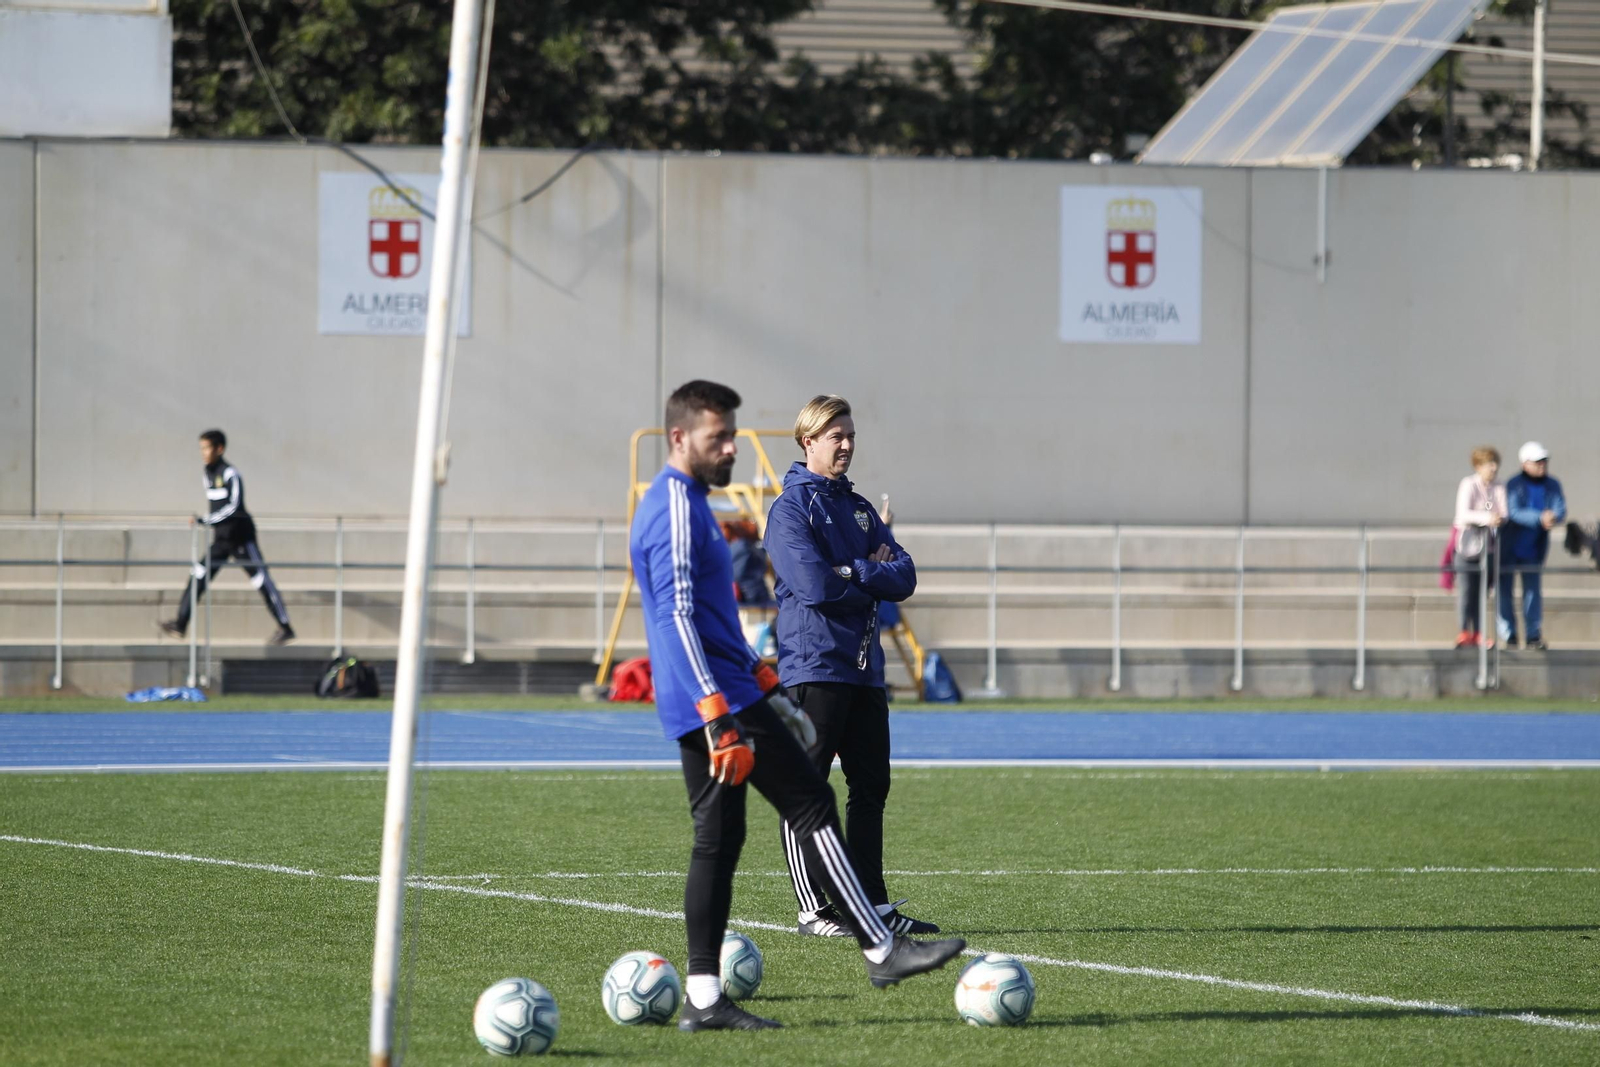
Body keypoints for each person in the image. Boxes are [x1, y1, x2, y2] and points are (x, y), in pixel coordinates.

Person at [630, 380, 965, 1033]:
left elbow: (707, 611)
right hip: (720, 698)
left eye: (731, 433)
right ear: (679, 439)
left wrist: (755, 667)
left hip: (731, 686)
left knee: (719, 841)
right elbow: (672, 615)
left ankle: (703, 999)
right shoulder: (674, 504)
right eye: (717, 437)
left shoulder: (696, 501)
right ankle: (880, 944)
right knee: (811, 800)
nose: (731, 446)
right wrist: (719, 709)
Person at [763, 395, 936, 939]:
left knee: (871, 786)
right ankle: (814, 909)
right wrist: (867, 573)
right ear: (807, 441)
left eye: (851, 435)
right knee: (808, 786)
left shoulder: (858, 508)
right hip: (815, 665)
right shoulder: (790, 509)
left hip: (864, 669)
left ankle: (873, 905)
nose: (846, 444)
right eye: (836, 436)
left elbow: (904, 577)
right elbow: (813, 586)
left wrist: (852, 568)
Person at [160, 430, 294, 644]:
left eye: (207, 448)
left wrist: (206, 520)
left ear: (219, 449)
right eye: (201, 448)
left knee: (262, 581)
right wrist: (210, 522)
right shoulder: (207, 474)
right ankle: (180, 623)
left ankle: (285, 627)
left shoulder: (231, 474)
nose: (203, 453)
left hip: (241, 539)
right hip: (221, 541)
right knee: (198, 576)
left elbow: (234, 507)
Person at [1500, 442, 1566, 650]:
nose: (1542, 466)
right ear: (1524, 463)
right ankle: (1509, 633)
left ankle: (1532, 635)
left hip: (1534, 550)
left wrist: (1553, 516)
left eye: (1544, 461)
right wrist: (1539, 518)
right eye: (1537, 462)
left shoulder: (1552, 484)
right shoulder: (1514, 484)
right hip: (1509, 548)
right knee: (1505, 592)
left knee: (1532, 592)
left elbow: (1560, 508)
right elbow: (1513, 511)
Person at [1451, 446, 1507, 649]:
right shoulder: (1469, 484)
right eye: (1488, 464)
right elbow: (1463, 513)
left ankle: (1479, 633)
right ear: (1478, 466)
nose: (1493, 468)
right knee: (1466, 592)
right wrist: (1486, 518)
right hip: (1466, 548)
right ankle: (1464, 631)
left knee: (1482, 593)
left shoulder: (1498, 487)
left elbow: (1503, 512)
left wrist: (1494, 517)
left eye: (1495, 464)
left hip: (1488, 549)